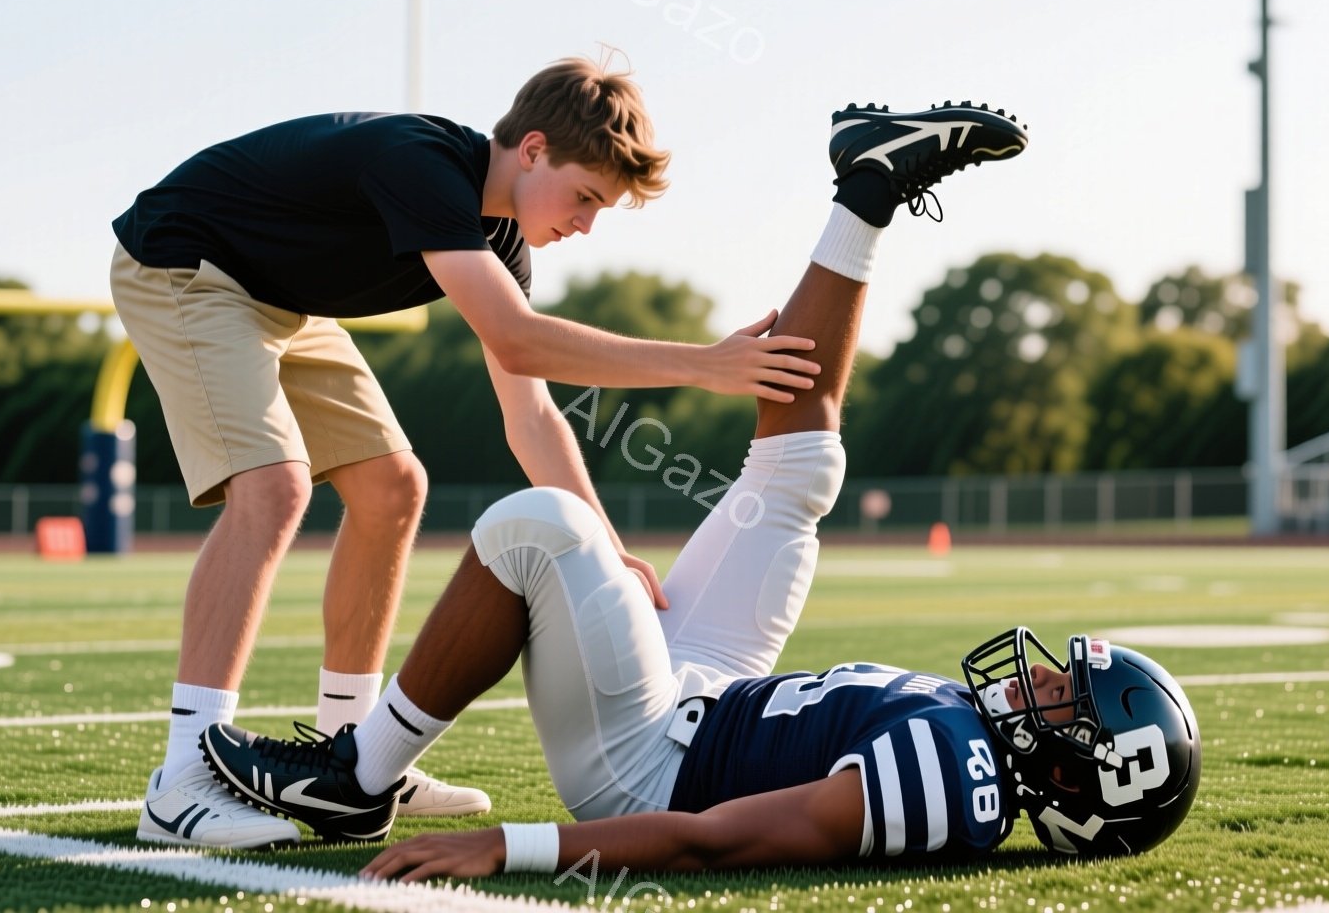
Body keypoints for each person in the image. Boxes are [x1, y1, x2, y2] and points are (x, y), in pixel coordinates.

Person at [199, 97, 1203, 874]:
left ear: (1077, 777)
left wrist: (514, 847)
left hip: (646, 760)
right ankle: (867, 189)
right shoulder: (973, 747)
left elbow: (715, 839)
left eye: (1068, 700)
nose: (1042, 682)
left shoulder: (954, 784)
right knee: (803, 465)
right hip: (710, 689)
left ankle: (356, 773)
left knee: (535, 525)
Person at [116, 55, 824, 849]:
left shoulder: (500, 241)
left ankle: (353, 760)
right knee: (275, 488)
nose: (587, 224)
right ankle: (182, 779)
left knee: (394, 488)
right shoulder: (423, 165)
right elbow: (520, 343)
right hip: (187, 265)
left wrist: (606, 545)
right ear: (530, 150)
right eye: (584, 195)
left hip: (279, 299)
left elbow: (531, 416)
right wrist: (702, 364)